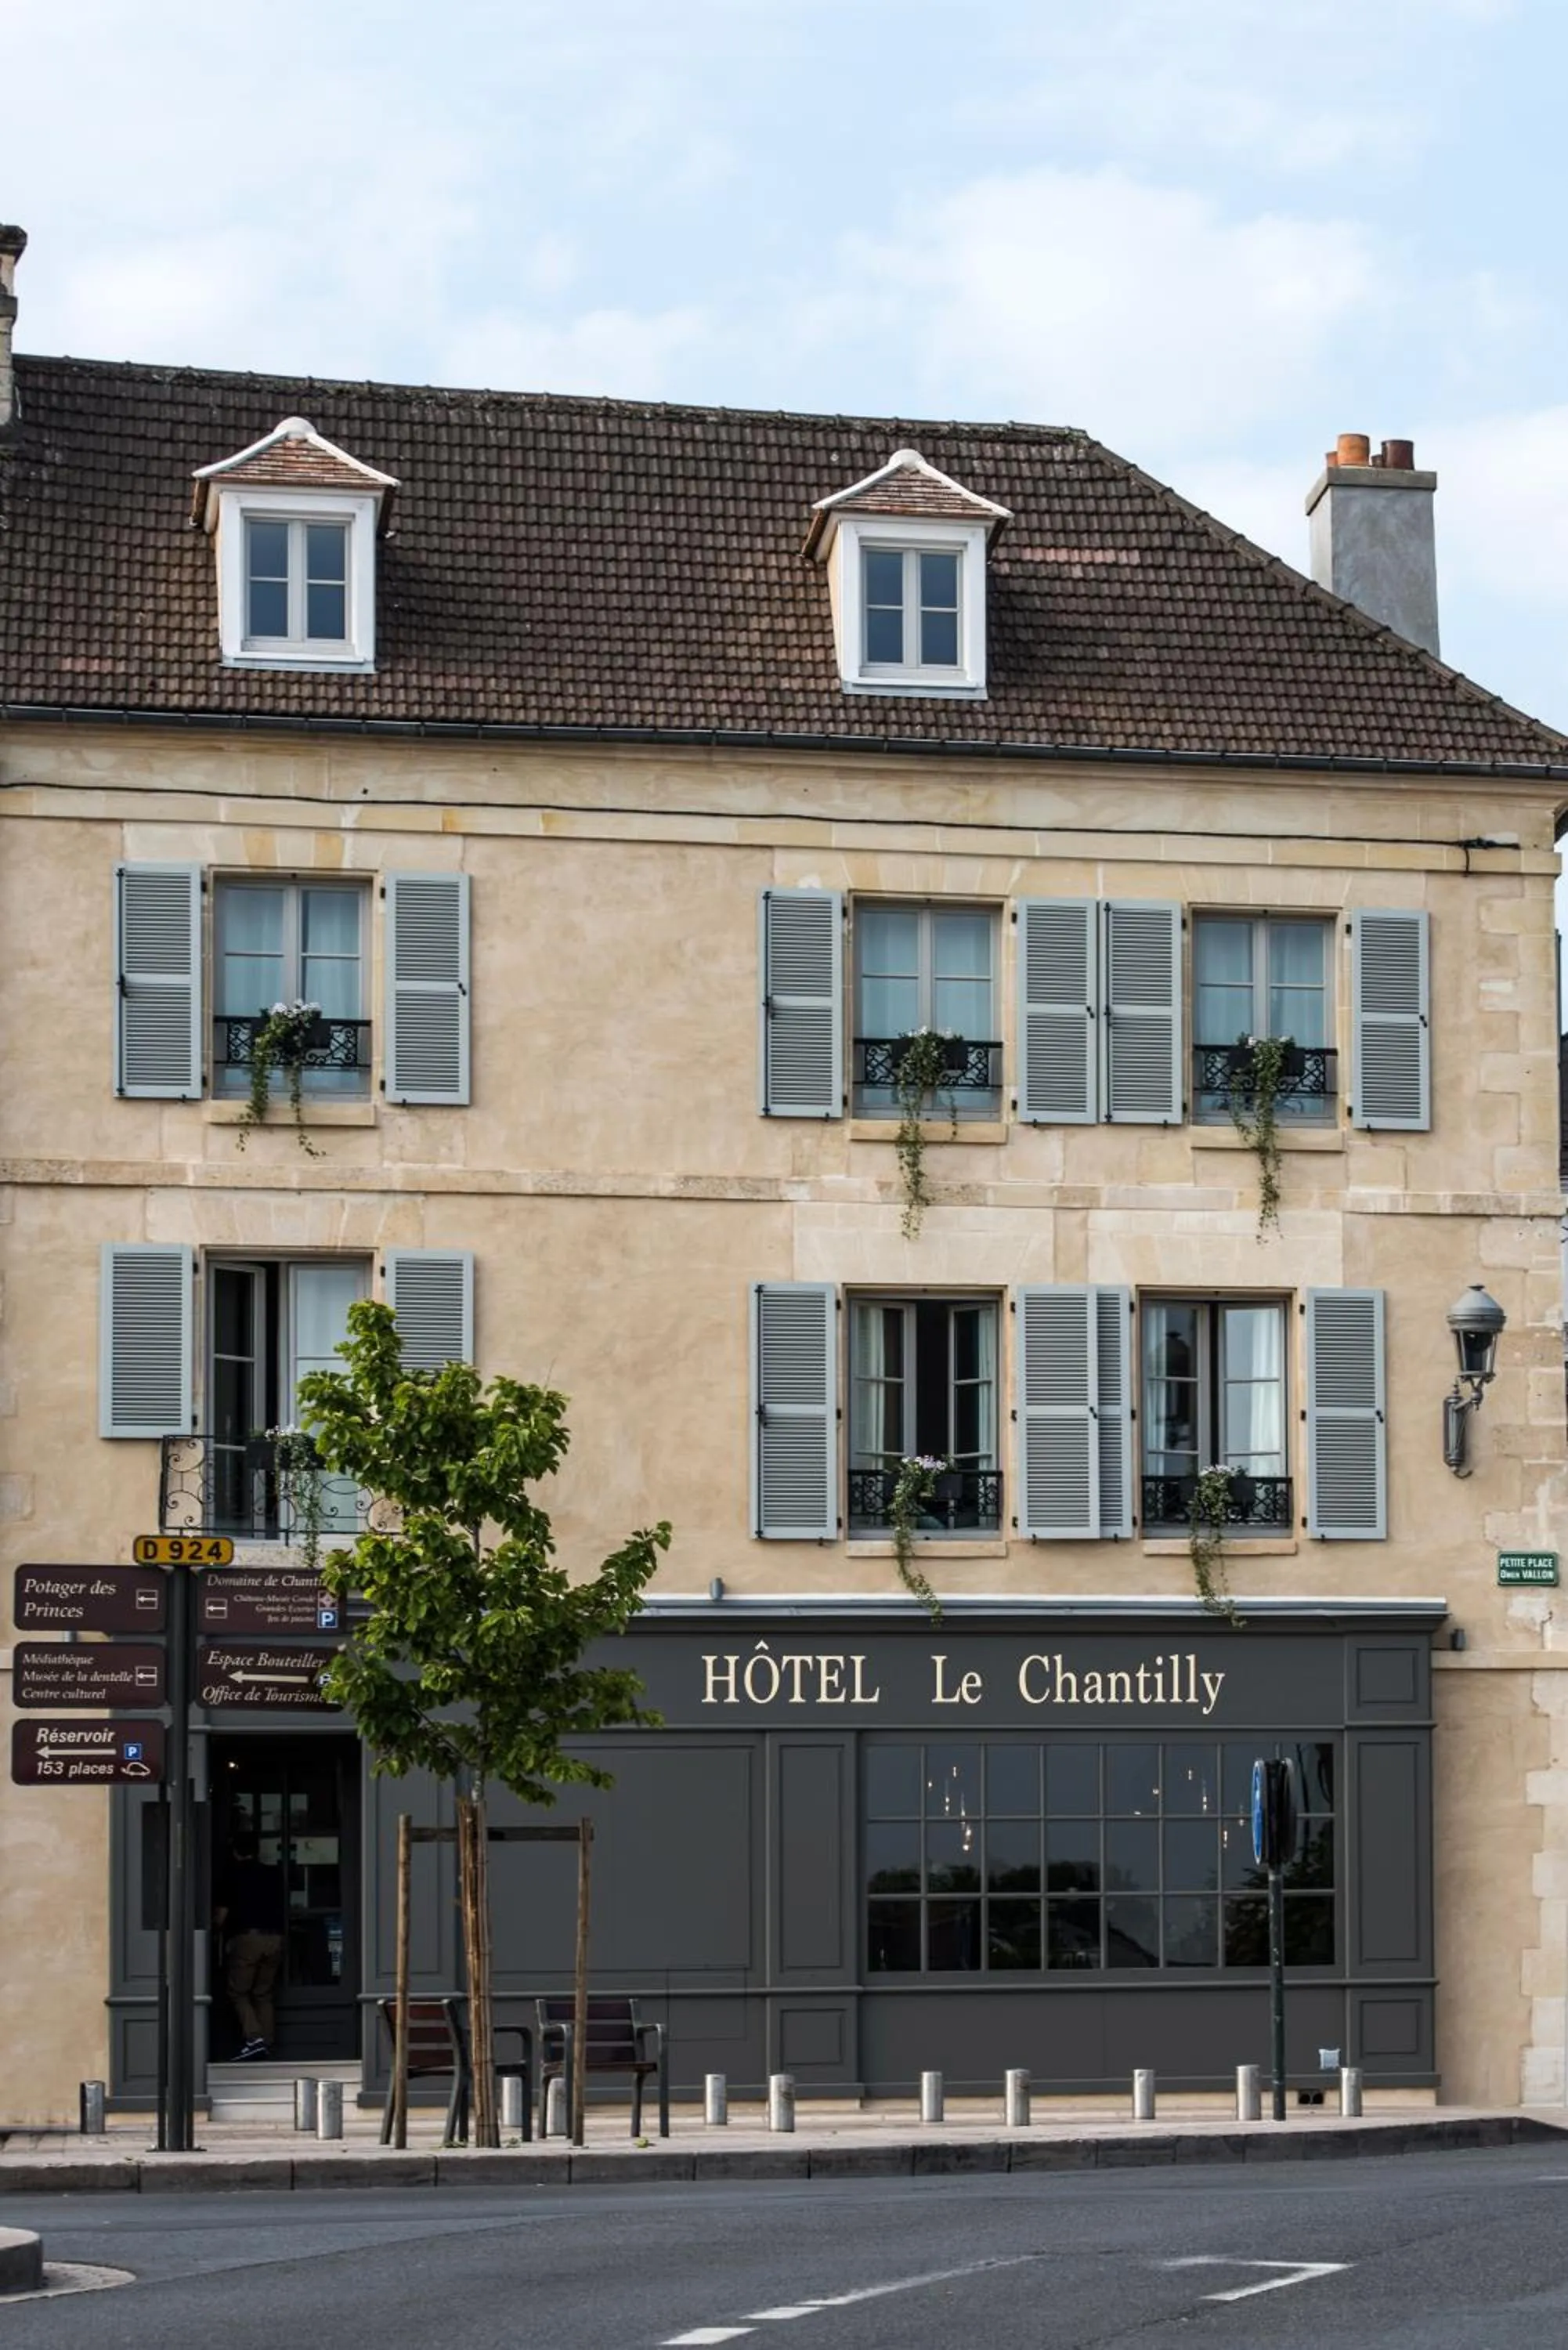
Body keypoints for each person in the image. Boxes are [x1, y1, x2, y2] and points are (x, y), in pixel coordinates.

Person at [214, 1824, 287, 2060]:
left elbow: (221, 1916)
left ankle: (254, 2039)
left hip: (247, 1939)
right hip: (275, 1938)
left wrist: (214, 1930)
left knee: (238, 1992)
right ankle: (267, 2042)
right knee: (263, 1993)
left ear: (235, 1851)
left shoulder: (232, 1874)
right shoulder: (273, 1874)